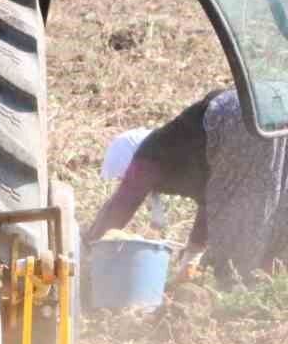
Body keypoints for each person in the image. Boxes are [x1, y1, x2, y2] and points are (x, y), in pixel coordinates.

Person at [86, 87, 288, 286]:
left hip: (236, 116)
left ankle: (237, 286)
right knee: (271, 200)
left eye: (122, 177)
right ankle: (264, 284)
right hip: (271, 108)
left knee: (241, 223)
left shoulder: (150, 153)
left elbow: (122, 203)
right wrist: (192, 253)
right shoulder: (192, 152)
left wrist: (88, 244)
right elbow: (210, 203)